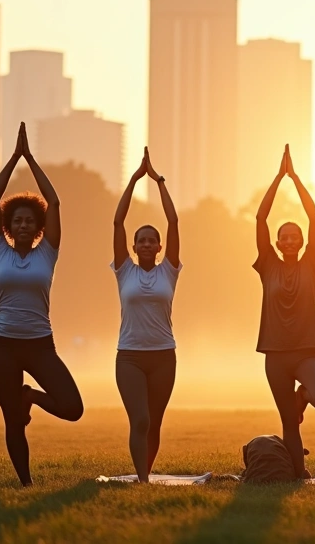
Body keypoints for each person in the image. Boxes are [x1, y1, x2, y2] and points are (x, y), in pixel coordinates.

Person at [0, 122, 83, 487]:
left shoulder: (48, 252)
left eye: (29, 220)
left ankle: (31, 397)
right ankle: (26, 484)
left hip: (40, 344)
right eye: (17, 221)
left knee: (73, 408)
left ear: (38, 226)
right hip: (2, 346)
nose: (23, 225)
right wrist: (12, 159)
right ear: (8, 226)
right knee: (12, 421)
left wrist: (31, 158)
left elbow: (54, 201)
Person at [253, 144, 315, 479]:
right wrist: (277, 179)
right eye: (283, 236)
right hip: (274, 354)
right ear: (276, 241)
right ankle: (298, 475)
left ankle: (303, 398)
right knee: (289, 423)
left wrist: (296, 179)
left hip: (304, 352)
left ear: (302, 242)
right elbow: (260, 218)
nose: (289, 240)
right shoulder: (267, 265)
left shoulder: (311, 265)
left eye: (294, 236)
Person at [112, 147, 181, 482]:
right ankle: (141, 481)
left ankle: (146, 475)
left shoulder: (169, 271)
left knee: (154, 421)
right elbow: (117, 221)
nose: (146, 244)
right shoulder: (124, 271)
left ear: (159, 247)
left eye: (152, 241)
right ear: (133, 247)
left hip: (164, 356)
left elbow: (173, 220)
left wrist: (159, 181)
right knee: (139, 420)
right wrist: (135, 180)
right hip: (130, 358)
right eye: (141, 241)